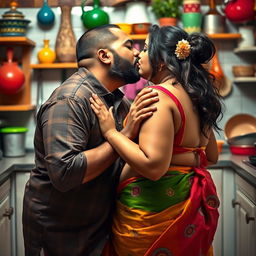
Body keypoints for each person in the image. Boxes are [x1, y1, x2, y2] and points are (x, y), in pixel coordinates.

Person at [22, 24, 159, 256]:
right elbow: (65, 173)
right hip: (60, 230)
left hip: (97, 224)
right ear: (104, 55)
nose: (137, 52)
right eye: (129, 46)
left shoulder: (119, 101)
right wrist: (122, 136)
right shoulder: (71, 100)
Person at [90, 24, 223, 256]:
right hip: (184, 205)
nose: (139, 54)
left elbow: (153, 168)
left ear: (161, 61)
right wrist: (184, 156)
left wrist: (111, 132)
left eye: (146, 49)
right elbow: (209, 156)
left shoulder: (159, 97)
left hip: (151, 211)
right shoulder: (197, 96)